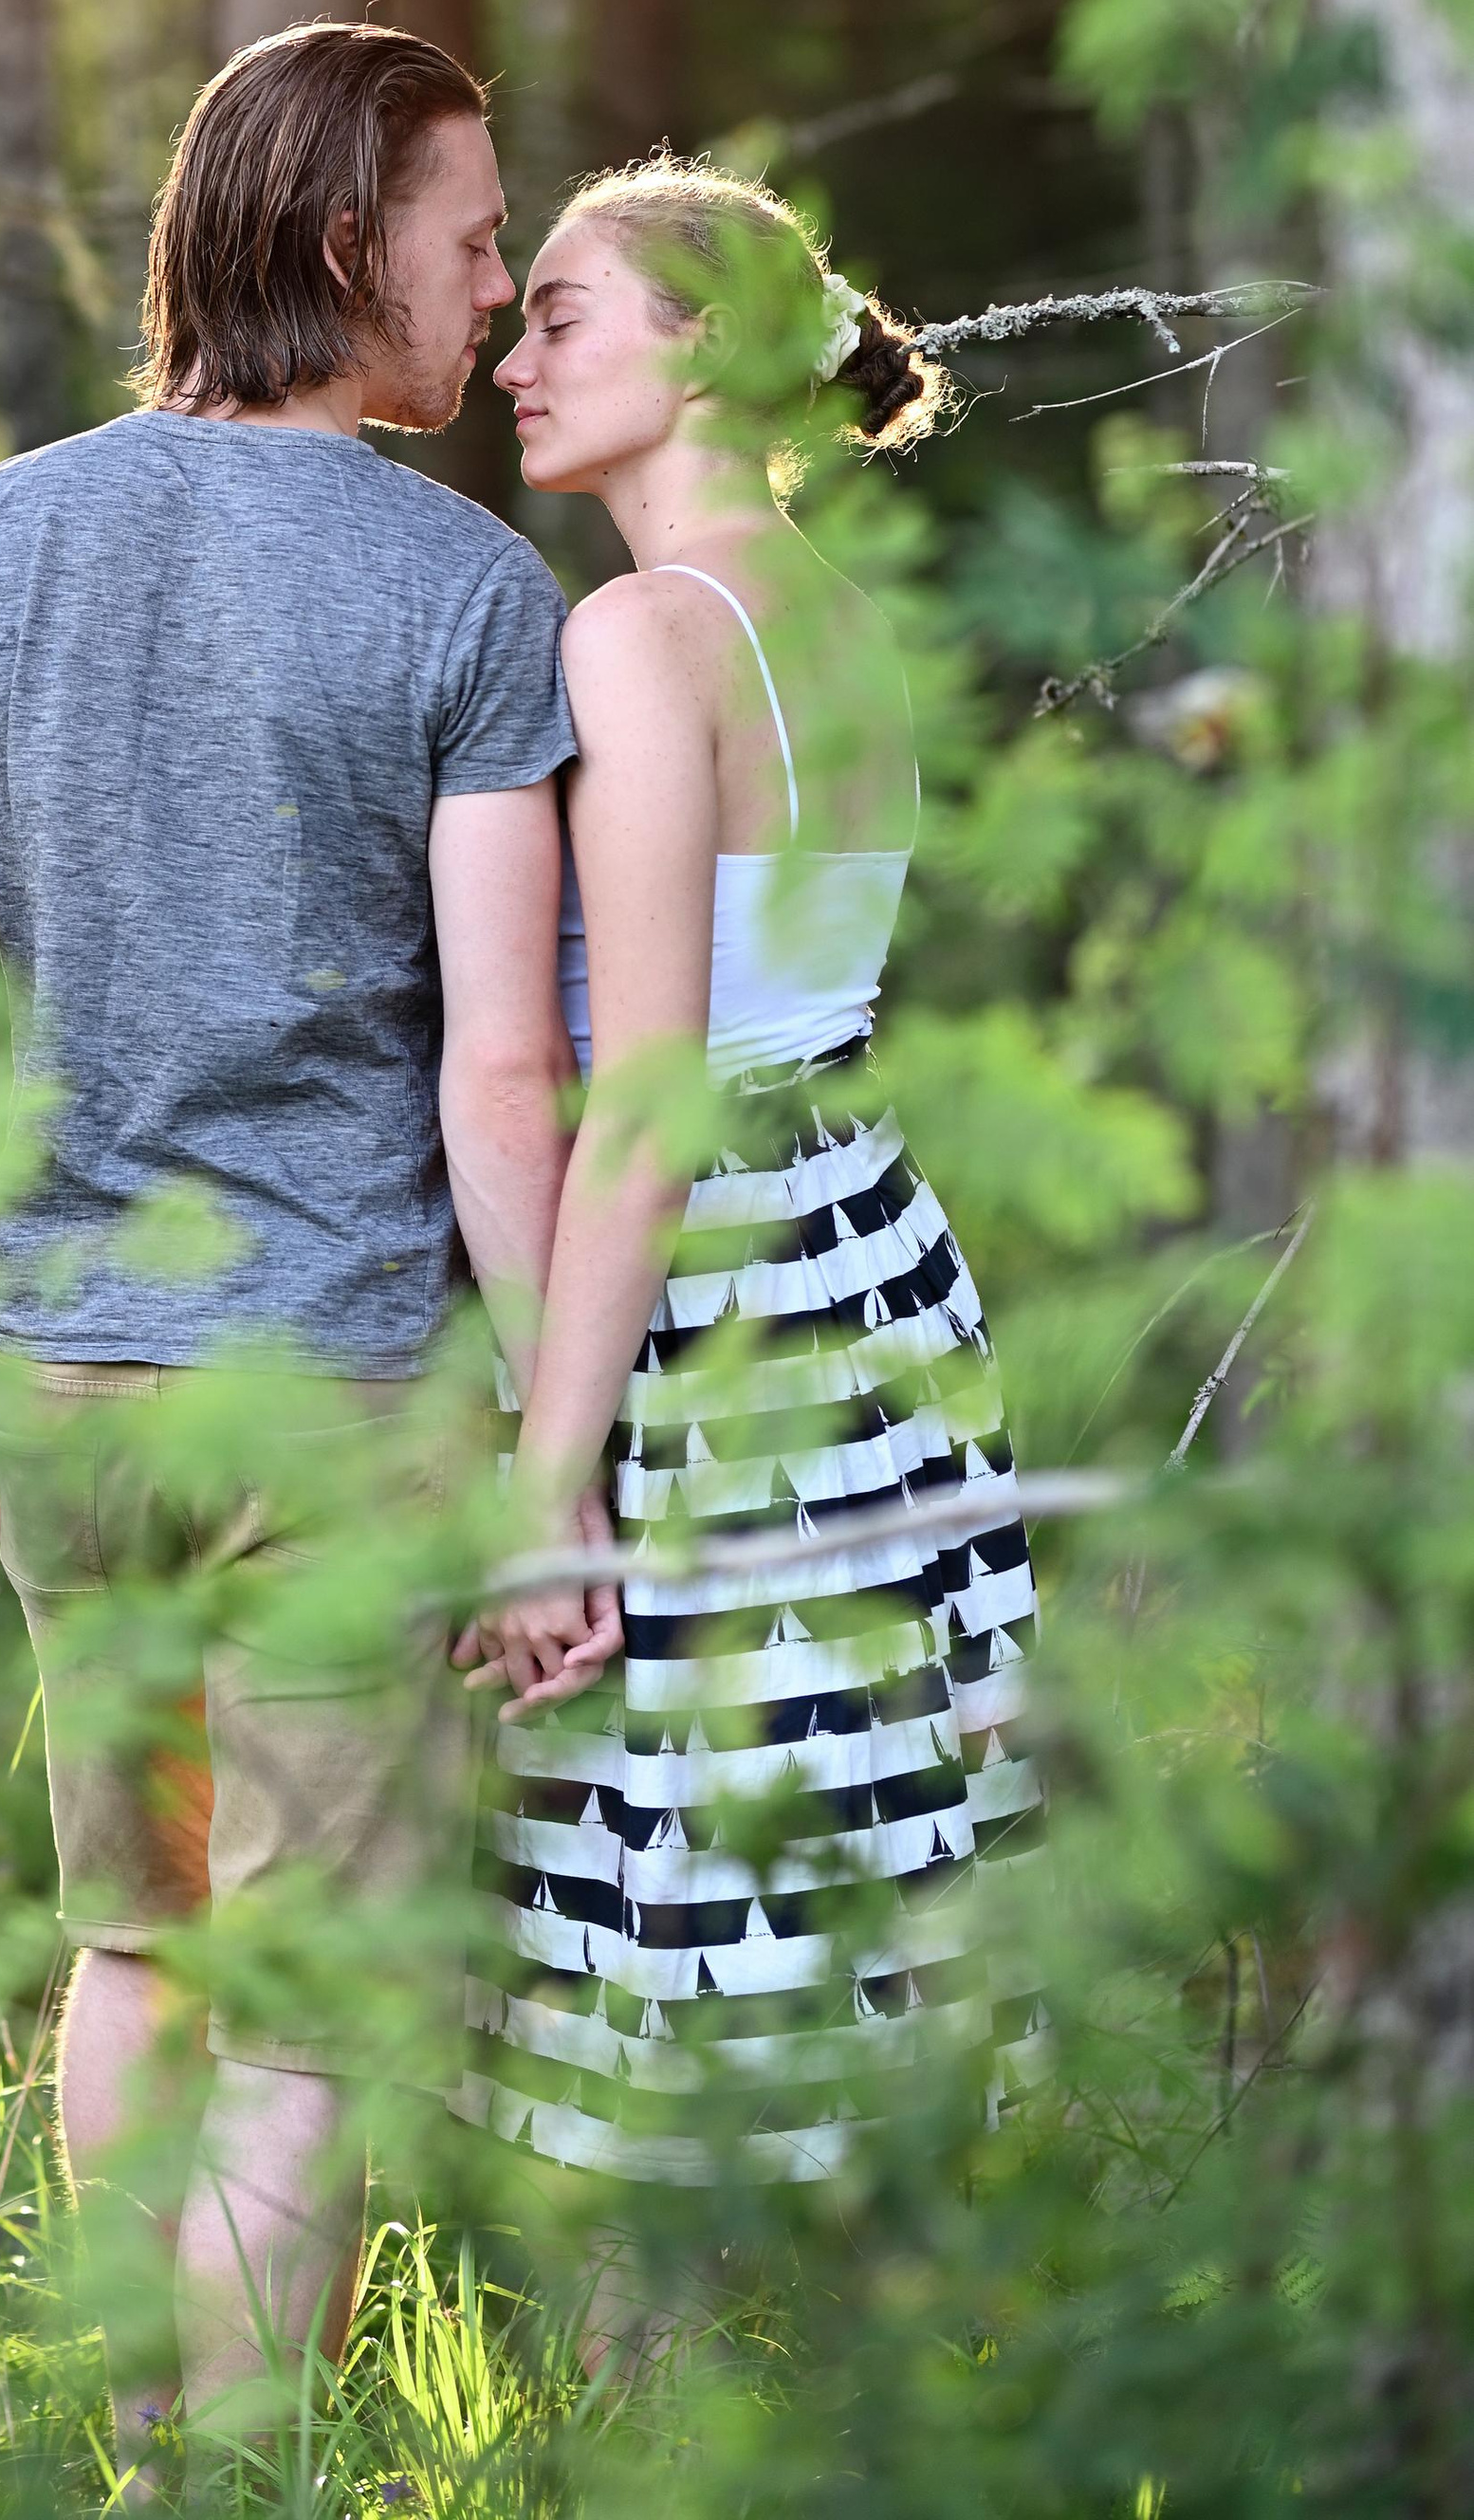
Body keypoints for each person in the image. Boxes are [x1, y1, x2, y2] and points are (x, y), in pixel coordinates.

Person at [0, 22, 588, 2450]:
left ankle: (121, 2455)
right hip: (340, 1398)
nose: (494, 292)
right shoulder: (476, 595)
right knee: (297, 2002)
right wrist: (550, 1458)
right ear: (343, 236)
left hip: (57, 1374)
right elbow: (501, 1071)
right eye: (474, 238)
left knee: (134, 1948)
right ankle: (231, 2488)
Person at [453, 153, 1045, 2256]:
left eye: (556, 315)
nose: (505, 361)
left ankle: (654, 2432)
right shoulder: (831, 612)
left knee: (679, 1917)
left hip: (722, 1291)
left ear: (696, 342)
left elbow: (648, 1098)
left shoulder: (638, 630)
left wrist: (547, 1486)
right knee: (843, 1857)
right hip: (870, 1248)